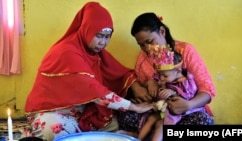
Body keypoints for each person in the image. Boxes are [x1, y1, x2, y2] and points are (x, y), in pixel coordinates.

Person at [24, 2, 155, 141]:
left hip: (83, 112)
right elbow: (94, 90)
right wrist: (135, 107)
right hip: (53, 111)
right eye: (98, 35)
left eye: (107, 36)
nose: (103, 42)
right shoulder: (67, 52)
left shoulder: (96, 53)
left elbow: (120, 72)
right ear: (86, 30)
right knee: (56, 129)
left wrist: (136, 87)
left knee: (114, 123)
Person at [118, 12, 216, 141]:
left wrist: (189, 105)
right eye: (141, 45)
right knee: (124, 111)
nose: (147, 48)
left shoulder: (185, 51)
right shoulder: (143, 59)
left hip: (187, 112)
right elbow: (143, 94)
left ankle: (147, 136)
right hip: (159, 111)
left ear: (162, 31)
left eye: (150, 41)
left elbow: (207, 90)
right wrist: (148, 84)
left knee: (202, 122)